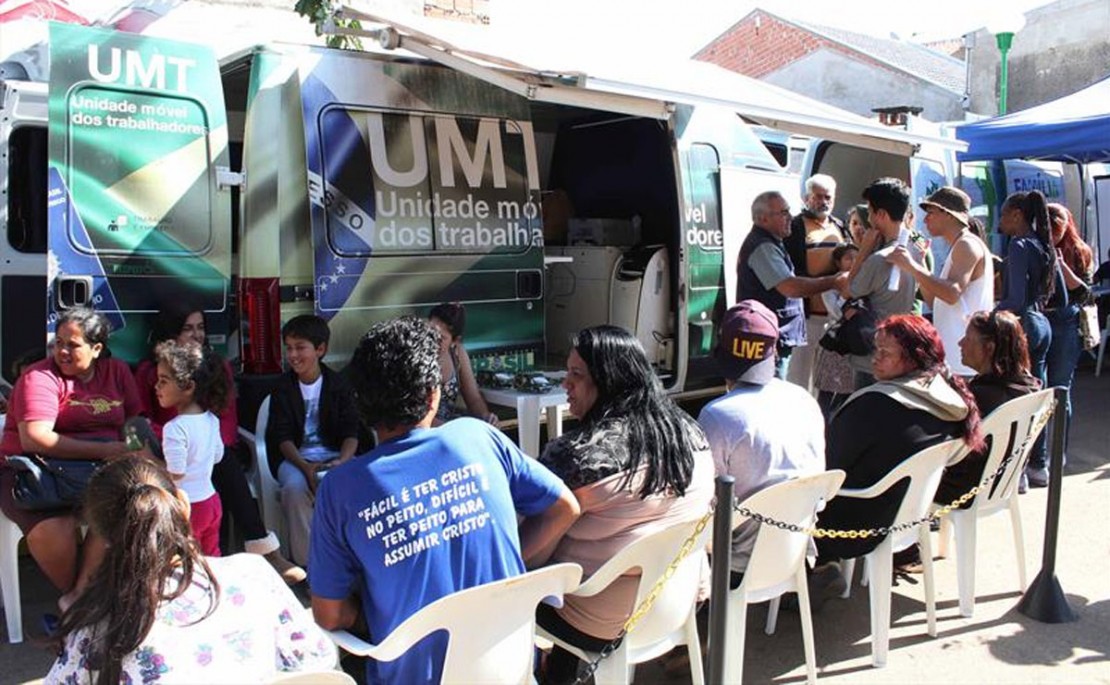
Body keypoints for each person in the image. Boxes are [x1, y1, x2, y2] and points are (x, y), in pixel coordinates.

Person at [309, 316, 579, 685]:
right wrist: (508, 580)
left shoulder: (339, 488)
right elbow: (564, 507)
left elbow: (329, 614)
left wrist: (378, 614)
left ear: (361, 405)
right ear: (433, 393)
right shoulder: (480, 438)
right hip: (509, 670)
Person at [46, 458, 336, 685]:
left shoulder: (93, 628)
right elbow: (316, 661)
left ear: (102, 536)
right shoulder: (254, 573)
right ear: (183, 507)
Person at [537, 325, 715, 684]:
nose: (565, 385)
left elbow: (531, 535)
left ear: (608, 380)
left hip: (599, 621)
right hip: (679, 603)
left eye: (576, 374)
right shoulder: (689, 433)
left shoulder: (577, 457)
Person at [135, 304, 304, 583]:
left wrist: (204, 440)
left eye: (201, 328)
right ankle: (254, 552)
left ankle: (259, 552)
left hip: (209, 448)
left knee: (224, 463)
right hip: (168, 445)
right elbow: (141, 416)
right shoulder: (150, 371)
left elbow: (225, 417)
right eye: (188, 328)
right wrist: (173, 438)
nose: (197, 335)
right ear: (171, 333)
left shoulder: (214, 367)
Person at [0, 307, 143, 609]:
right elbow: (36, 438)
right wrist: (107, 450)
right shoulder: (38, 377)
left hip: (97, 472)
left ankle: (79, 597)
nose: (62, 351)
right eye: (58, 342)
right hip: (32, 473)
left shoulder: (116, 372)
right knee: (56, 526)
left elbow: (132, 418)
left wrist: (134, 448)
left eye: (73, 345)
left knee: (124, 510)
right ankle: (84, 602)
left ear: (97, 348)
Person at [816, 315, 984, 567]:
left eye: (885, 352)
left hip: (854, 526)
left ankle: (813, 574)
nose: (875, 357)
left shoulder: (873, 405)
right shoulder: (948, 400)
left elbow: (827, 467)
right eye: (876, 349)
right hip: (909, 517)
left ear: (914, 357)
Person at [698, 301, 825, 588]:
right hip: (796, 547)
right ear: (774, 351)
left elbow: (702, 497)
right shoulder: (803, 398)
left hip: (735, 562)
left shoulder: (717, 414)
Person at [266, 314, 361, 567]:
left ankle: (351, 562)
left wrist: (342, 461)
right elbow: (282, 437)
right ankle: (310, 566)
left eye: (300, 348)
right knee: (295, 490)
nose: (293, 355)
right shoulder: (282, 388)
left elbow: (352, 431)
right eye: (289, 348)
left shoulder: (339, 385)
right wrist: (305, 467)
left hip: (334, 456)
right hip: (296, 459)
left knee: (354, 484)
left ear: (320, 349)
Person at [737, 190, 846, 379]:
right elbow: (790, 287)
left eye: (789, 211)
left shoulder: (772, 242)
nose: (790, 217)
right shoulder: (763, 246)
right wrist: (833, 281)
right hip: (768, 340)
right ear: (763, 219)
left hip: (774, 337)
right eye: (783, 213)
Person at [995, 190, 1064, 487]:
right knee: (1038, 397)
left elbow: (1015, 299)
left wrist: (990, 313)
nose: (1000, 222)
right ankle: (1039, 465)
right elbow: (1059, 296)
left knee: (1018, 402)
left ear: (1017, 215)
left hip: (1023, 326)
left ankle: (1018, 471)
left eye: (1003, 215)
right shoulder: (1044, 244)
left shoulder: (1019, 245)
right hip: (1043, 325)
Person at [935, 311, 1040, 505]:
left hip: (966, 489)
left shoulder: (981, 396)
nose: (960, 344)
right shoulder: (1029, 387)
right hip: (1002, 482)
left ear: (989, 348)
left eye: (967, 338)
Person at [887, 187, 993, 377]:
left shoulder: (966, 245)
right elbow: (934, 301)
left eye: (931, 213)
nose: (926, 219)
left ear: (949, 215)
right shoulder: (960, 245)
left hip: (965, 363)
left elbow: (952, 293)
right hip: (955, 358)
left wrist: (911, 266)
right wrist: (919, 265)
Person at [845, 177, 925, 387]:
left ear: (881, 214)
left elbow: (849, 290)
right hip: (900, 351)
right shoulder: (916, 249)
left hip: (873, 353)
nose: (868, 218)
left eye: (870, 212)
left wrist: (863, 251)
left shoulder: (879, 258)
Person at [152, 340, 229, 557]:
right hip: (212, 502)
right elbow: (217, 456)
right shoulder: (212, 420)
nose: (156, 387)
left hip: (188, 507)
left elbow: (176, 473)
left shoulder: (174, 428)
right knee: (211, 557)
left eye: (163, 381)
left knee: (184, 561)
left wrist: (148, 459)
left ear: (188, 386)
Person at [783, 174, 852, 391]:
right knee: (799, 375)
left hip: (833, 316)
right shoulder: (794, 226)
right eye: (818, 196)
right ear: (806, 198)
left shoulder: (839, 226)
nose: (823, 202)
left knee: (824, 377)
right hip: (807, 314)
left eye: (828, 197)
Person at [1045, 203, 1093, 464]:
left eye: (1058, 228)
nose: (1053, 234)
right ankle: (1037, 455)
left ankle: (1058, 453)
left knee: (1060, 389)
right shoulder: (1033, 246)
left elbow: (1085, 292)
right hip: (1042, 320)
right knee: (1039, 389)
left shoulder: (1079, 250)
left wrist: (1063, 268)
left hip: (1066, 323)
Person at [428, 302, 498, 426]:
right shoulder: (418, 354)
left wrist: (486, 417)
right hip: (424, 428)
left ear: (454, 341)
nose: (433, 340)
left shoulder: (457, 353)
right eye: (430, 332)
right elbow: (416, 415)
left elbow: (474, 399)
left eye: (441, 338)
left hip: (448, 427)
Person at [814, 244, 861, 419]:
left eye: (857, 258)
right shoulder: (830, 285)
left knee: (847, 393)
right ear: (838, 262)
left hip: (853, 346)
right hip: (835, 344)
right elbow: (837, 312)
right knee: (827, 392)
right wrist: (846, 296)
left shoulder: (863, 283)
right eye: (849, 258)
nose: (854, 262)